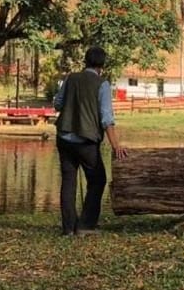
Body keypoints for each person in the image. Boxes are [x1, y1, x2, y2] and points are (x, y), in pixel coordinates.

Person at [53, 46, 128, 235]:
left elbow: (57, 104)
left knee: (68, 181)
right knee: (97, 180)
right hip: (86, 141)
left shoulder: (71, 78)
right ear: (102, 65)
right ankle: (86, 225)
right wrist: (116, 145)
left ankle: (69, 228)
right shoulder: (102, 84)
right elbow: (106, 119)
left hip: (64, 137)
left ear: (85, 61)